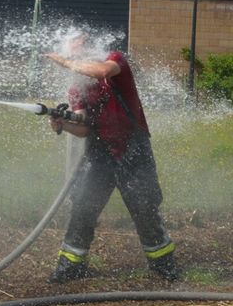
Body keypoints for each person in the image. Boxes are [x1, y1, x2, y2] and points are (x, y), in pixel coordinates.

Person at [44, 33, 177, 283]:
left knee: (144, 207)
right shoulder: (76, 88)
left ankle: (163, 265)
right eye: (73, 54)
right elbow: (83, 127)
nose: (77, 58)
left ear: (93, 48)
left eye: (80, 52)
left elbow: (101, 71)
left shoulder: (115, 61)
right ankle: (72, 265)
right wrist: (63, 125)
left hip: (133, 148)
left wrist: (65, 62)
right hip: (100, 152)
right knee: (83, 206)